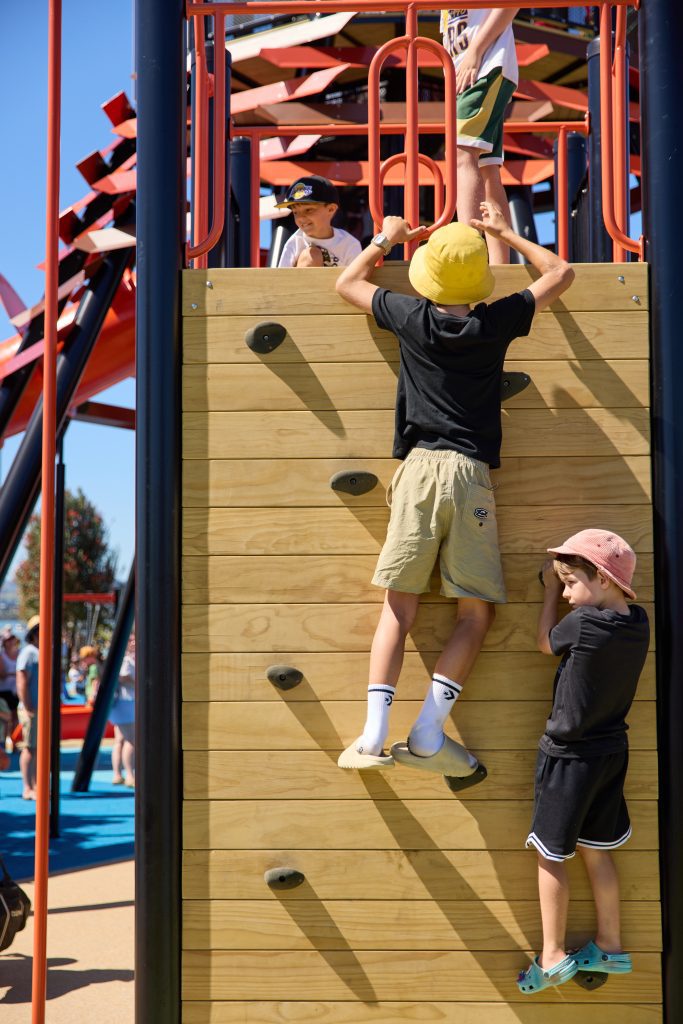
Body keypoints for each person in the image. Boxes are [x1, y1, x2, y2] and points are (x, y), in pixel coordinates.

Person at [335, 201, 574, 781]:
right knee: (475, 612)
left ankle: (372, 734)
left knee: (399, 606)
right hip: (469, 474)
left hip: (417, 470)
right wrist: (505, 232)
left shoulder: (409, 316)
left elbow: (347, 283)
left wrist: (387, 238)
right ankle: (428, 729)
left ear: (427, 279)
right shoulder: (495, 323)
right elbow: (561, 273)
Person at [517, 529, 650, 994]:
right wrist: (566, 579)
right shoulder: (638, 622)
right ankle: (610, 944)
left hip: (569, 756)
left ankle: (553, 955)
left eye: (572, 582)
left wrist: (546, 592)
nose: (567, 594)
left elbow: (544, 643)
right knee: (598, 850)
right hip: (611, 752)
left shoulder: (584, 623)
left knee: (551, 854)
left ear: (605, 580)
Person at [441, 6, 520, 264]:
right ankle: (500, 264)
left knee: (462, 153)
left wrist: (475, 52)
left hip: (485, 65)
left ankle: (468, 252)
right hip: (470, 72)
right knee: (487, 168)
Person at [276, 175, 362, 268]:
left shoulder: (349, 244)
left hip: (341, 278)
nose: (301, 218)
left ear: (331, 209)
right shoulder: (294, 243)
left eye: (308, 210)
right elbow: (282, 277)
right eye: (295, 212)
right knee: (310, 255)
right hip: (304, 278)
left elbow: (357, 275)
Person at [16, 615, 40, 800]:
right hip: (31, 708)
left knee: (38, 748)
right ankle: (27, 787)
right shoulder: (29, 652)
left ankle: (36, 784)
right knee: (30, 747)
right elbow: (22, 680)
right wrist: (28, 705)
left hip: (39, 708)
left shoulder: (39, 651)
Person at [108, 634, 136, 788]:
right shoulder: (126, 660)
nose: (133, 643)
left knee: (119, 740)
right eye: (131, 640)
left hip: (121, 703)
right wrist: (139, 684)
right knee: (131, 740)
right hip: (126, 702)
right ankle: (130, 775)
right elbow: (123, 677)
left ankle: (117, 774)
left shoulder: (125, 658)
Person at [0, 629, 20, 743]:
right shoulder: (2, 655)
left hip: (16, 690)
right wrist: (17, 674)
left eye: (12, 638)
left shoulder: (20, 653)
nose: (11, 641)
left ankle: (13, 741)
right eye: (8, 639)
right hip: (4, 691)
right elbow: (2, 674)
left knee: (15, 717)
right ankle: (4, 741)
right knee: (7, 718)